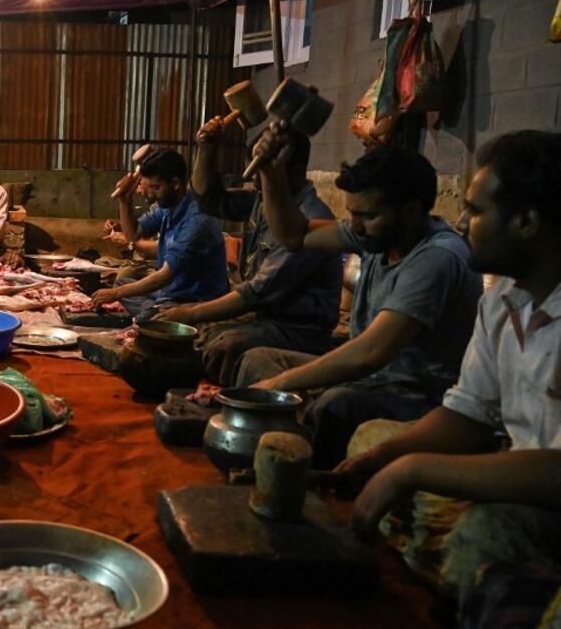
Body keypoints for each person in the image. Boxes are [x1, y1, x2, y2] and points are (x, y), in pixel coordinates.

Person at [336, 130, 561, 605]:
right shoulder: (503, 295)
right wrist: (385, 460)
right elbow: (468, 413)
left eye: (476, 211)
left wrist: (411, 470)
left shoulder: (440, 259)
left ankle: (479, 575)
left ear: (526, 222)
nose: (462, 221)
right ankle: (465, 572)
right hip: (512, 471)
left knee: (490, 528)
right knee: (373, 441)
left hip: (544, 496)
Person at [236, 126, 483, 468]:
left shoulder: (436, 257)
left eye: (367, 216)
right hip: (371, 380)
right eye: (352, 214)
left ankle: (310, 487)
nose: (355, 226)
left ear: (411, 210)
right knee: (257, 359)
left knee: (335, 405)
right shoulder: (377, 235)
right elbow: (293, 233)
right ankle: (261, 454)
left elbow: (371, 353)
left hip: (414, 397)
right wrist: (270, 173)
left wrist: (276, 385)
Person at [156, 117, 342, 385]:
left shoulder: (310, 218)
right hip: (262, 317)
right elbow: (209, 200)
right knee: (190, 331)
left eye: (264, 171)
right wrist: (206, 149)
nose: (255, 180)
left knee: (224, 344)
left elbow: (257, 291)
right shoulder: (262, 199)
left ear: (296, 169)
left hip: (296, 330)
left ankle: (224, 405)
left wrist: (191, 312)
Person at [90, 149, 229, 319]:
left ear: (175, 184)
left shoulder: (197, 221)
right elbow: (133, 234)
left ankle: (156, 312)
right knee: (121, 282)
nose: (149, 195)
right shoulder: (168, 207)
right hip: (170, 291)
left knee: (141, 312)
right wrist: (125, 200)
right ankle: (155, 309)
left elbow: (164, 276)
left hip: (195, 300)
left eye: (155, 187)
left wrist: (115, 294)